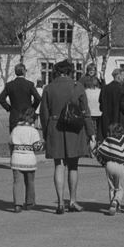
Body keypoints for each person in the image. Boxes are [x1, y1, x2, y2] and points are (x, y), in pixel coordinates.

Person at [39, 60, 92, 214]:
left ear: (56, 72)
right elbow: (85, 112)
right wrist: (91, 133)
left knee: (59, 166)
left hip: (55, 128)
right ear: (70, 72)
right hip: (74, 129)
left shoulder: (48, 88)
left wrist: (46, 132)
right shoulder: (78, 86)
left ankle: (60, 202)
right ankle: (73, 201)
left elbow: (44, 113)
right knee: (73, 166)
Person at [94, 122, 124, 216]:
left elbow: (99, 153)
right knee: (120, 188)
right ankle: (116, 201)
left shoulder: (108, 140)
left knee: (112, 188)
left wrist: (104, 164)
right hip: (122, 166)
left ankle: (113, 206)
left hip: (109, 166)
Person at [8, 108, 44, 213]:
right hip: (29, 159)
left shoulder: (15, 129)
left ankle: (17, 204)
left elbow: (10, 143)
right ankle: (29, 202)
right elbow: (37, 147)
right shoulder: (33, 131)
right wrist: (44, 145)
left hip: (17, 158)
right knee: (30, 181)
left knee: (17, 182)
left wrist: (12, 153)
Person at [0, 64, 42, 132]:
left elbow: (1, 98)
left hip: (14, 114)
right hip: (27, 115)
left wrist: (9, 108)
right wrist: (32, 108)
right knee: (27, 138)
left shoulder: (10, 85)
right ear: (24, 71)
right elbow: (38, 98)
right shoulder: (29, 84)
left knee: (14, 137)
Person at [100, 68, 124, 137]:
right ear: (118, 76)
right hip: (119, 122)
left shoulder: (105, 88)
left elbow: (101, 106)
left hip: (106, 121)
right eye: (123, 76)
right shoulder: (122, 89)